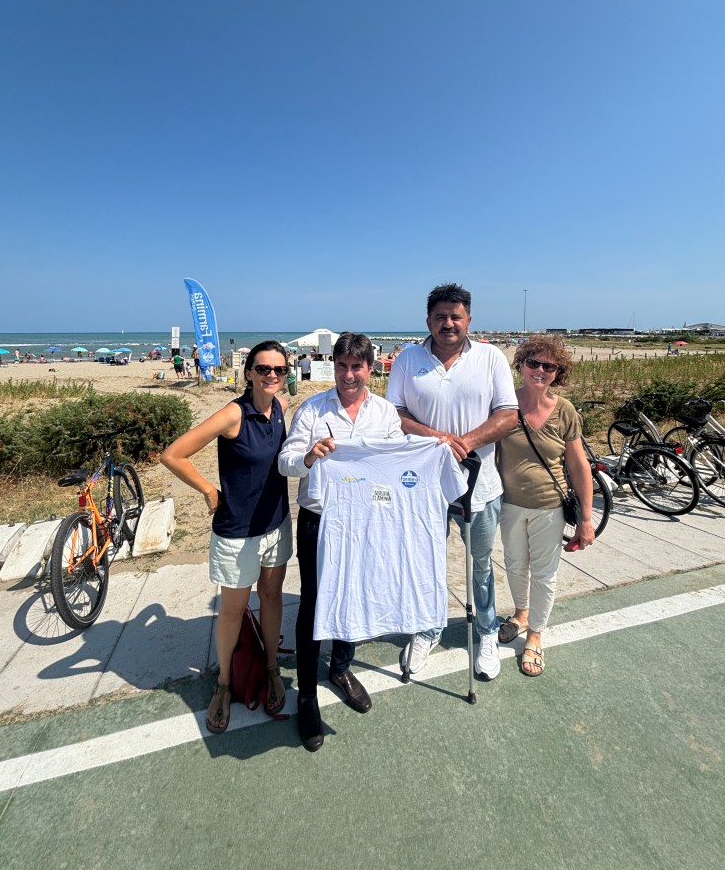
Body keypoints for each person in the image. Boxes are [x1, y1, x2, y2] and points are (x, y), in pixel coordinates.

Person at [386, 282, 518, 681]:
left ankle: (487, 630)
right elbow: (394, 414)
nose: (448, 323)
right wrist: (437, 439)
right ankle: (428, 628)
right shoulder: (407, 359)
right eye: (440, 316)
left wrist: (466, 443)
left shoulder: (491, 358)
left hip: (480, 483)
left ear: (468, 320)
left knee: (481, 563)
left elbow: (508, 414)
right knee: (426, 560)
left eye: (455, 317)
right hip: (422, 486)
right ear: (427, 320)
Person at [278, 331, 402, 752]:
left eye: (357, 367)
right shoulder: (312, 410)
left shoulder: (385, 413)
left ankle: (341, 668)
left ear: (371, 367)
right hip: (320, 520)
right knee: (314, 603)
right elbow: (285, 463)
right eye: (342, 366)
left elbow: (396, 461)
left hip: (365, 521)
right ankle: (307, 695)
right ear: (333, 366)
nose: (349, 375)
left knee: (354, 595)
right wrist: (309, 456)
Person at [161, 341, 292, 732]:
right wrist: (207, 490)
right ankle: (223, 683)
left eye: (279, 370)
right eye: (263, 369)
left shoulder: (281, 407)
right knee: (233, 610)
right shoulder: (234, 414)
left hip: (276, 524)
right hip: (237, 534)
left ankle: (271, 667)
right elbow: (173, 455)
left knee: (272, 598)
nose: (272, 375)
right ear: (249, 372)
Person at [496, 335, 594, 677]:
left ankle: (535, 634)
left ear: (558, 373)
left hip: (549, 507)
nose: (540, 370)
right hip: (508, 504)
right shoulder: (504, 404)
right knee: (514, 564)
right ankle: (521, 613)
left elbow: (579, 465)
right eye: (533, 363)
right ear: (521, 364)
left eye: (548, 366)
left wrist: (586, 519)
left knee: (544, 573)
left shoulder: (565, 410)